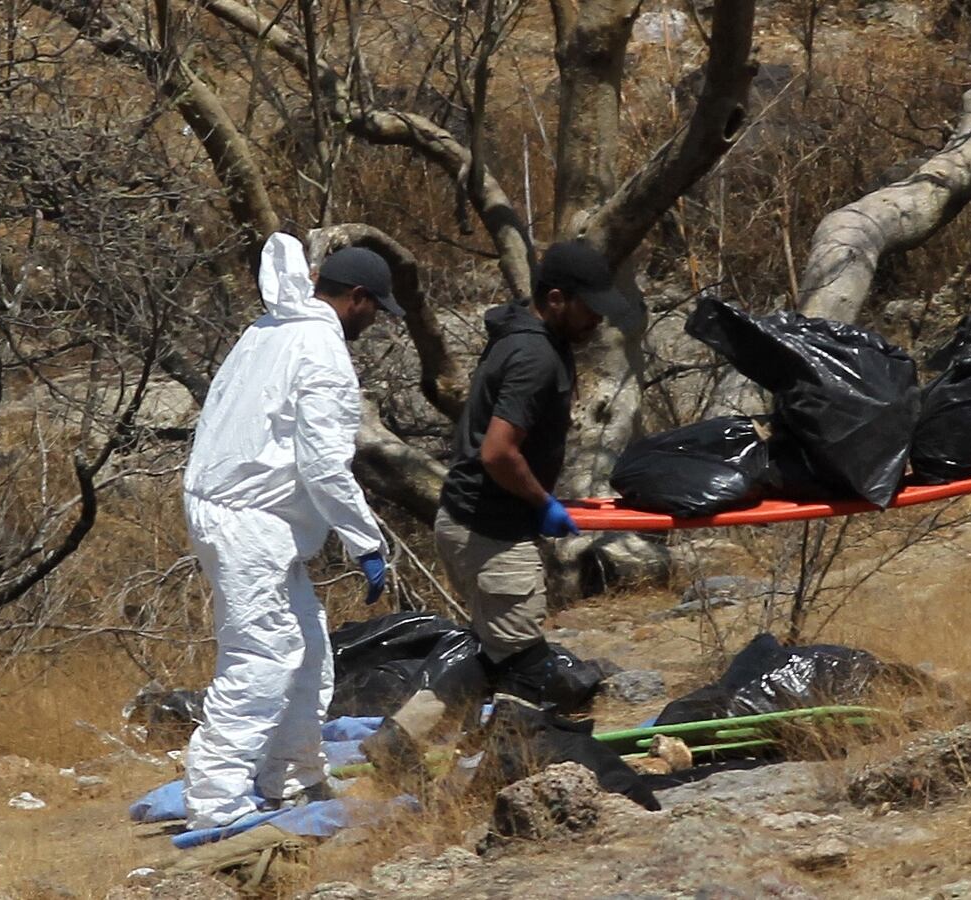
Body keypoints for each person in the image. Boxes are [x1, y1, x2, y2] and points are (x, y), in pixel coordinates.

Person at [181, 234, 401, 829]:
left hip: (238, 512)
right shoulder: (321, 351)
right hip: (249, 521)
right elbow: (323, 465)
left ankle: (293, 773)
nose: (373, 321)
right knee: (263, 656)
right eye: (375, 309)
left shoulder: (268, 331)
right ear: (358, 298)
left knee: (307, 647)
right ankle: (215, 800)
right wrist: (365, 542)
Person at [434, 239, 641, 701]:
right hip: (491, 533)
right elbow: (498, 452)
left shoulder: (523, 335)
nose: (598, 318)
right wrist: (542, 502)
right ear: (556, 299)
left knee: (496, 660)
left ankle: (400, 738)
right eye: (590, 307)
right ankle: (513, 751)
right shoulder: (535, 356)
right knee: (526, 675)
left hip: (470, 521)